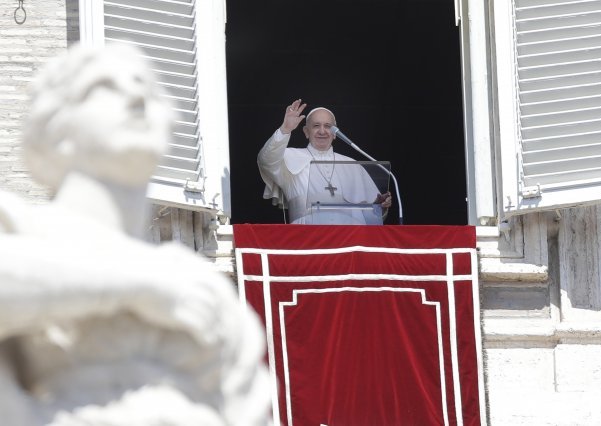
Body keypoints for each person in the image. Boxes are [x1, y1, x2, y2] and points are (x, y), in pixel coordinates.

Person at [0, 43, 270, 426]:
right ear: (55, 129)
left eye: (148, 88)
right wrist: (139, 285)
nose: (136, 98)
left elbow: (246, 406)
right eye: (104, 87)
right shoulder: (19, 231)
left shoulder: (197, 281)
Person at [258, 99, 392, 224]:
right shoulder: (289, 156)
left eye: (328, 126)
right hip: (306, 238)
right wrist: (285, 129)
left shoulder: (352, 165)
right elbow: (266, 160)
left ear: (335, 133)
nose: (322, 131)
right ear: (306, 131)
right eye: (316, 125)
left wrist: (378, 207)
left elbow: (370, 219)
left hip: (350, 239)